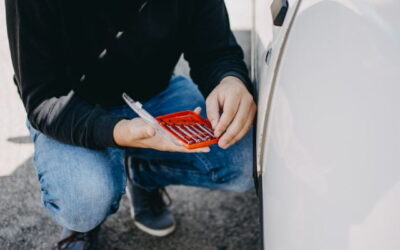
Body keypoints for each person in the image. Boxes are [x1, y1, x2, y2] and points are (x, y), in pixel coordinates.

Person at [5, 0, 257, 249]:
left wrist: (230, 80)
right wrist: (118, 131)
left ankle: (142, 172)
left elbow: (216, 51)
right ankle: (85, 223)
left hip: (154, 95)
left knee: (246, 160)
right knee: (83, 200)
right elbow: (43, 99)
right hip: (72, 106)